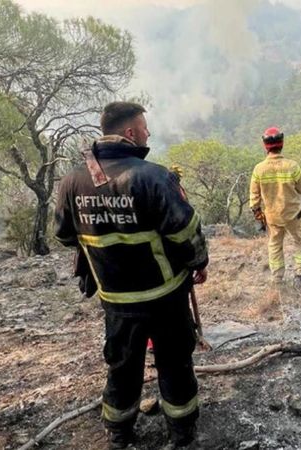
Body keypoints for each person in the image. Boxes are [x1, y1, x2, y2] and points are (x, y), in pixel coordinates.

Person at [54, 102, 209, 448]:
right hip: (165, 297)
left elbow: (65, 236)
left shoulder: (72, 182)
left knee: (122, 366)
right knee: (174, 364)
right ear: (130, 133)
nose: (148, 133)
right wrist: (198, 263)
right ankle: (182, 434)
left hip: (116, 301)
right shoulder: (154, 177)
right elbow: (186, 233)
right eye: (144, 127)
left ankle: (119, 433)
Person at [249, 127, 301, 284]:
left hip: (272, 216)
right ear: (281, 144)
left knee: (275, 245)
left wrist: (258, 215)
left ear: (265, 146)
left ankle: (277, 278)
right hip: (293, 214)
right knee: (300, 241)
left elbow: (254, 198)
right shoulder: (292, 166)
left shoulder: (259, 169)